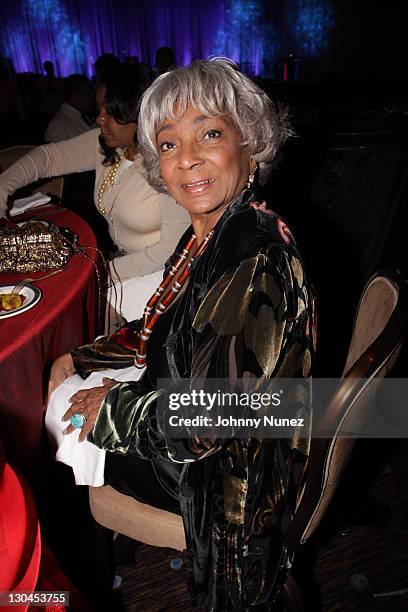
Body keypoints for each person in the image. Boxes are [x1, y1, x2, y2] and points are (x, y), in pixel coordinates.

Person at [46, 59, 315, 610]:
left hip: (230, 482)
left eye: (210, 134)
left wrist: (113, 407)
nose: (187, 158)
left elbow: (208, 418)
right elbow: (157, 325)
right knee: (60, 400)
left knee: (53, 432)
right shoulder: (212, 232)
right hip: (203, 434)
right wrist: (83, 358)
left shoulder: (253, 256)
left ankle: (62, 580)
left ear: (250, 140)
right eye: (168, 144)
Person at [0, 64, 189, 325]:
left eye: (110, 112)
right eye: (99, 108)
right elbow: (46, 157)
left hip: (164, 273)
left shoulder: (170, 162)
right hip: (118, 261)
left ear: (140, 115)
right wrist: (2, 187)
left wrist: (100, 271)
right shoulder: (108, 144)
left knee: (75, 316)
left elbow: (171, 250)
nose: (99, 118)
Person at [45, 74, 94, 143]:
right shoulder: (58, 124)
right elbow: (57, 152)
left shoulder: (84, 115)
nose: (91, 97)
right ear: (75, 95)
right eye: (88, 94)